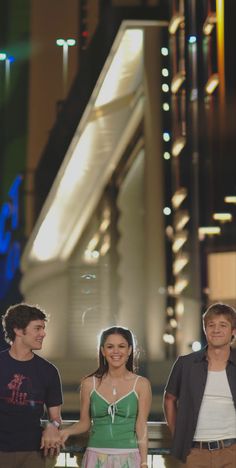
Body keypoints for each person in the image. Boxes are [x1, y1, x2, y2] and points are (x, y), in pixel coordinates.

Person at [60, 326, 152, 467]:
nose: (116, 351)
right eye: (110, 347)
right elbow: (85, 423)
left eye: (121, 346)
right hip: (95, 456)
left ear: (130, 350)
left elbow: (141, 426)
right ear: (103, 351)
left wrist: (144, 462)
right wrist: (66, 431)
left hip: (129, 456)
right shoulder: (89, 383)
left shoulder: (141, 384)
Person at [163, 302, 236, 467]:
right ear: (205, 329)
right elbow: (169, 399)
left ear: (233, 331)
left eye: (223, 325)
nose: (216, 330)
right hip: (195, 452)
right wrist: (179, 435)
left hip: (232, 450)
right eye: (211, 325)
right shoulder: (185, 363)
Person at [0, 302, 63, 468]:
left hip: (34, 454)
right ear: (18, 330)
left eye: (43, 328)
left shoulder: (49, 371)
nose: (43, 333)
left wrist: (52, 425)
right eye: (37, 328)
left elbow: (56, 417)